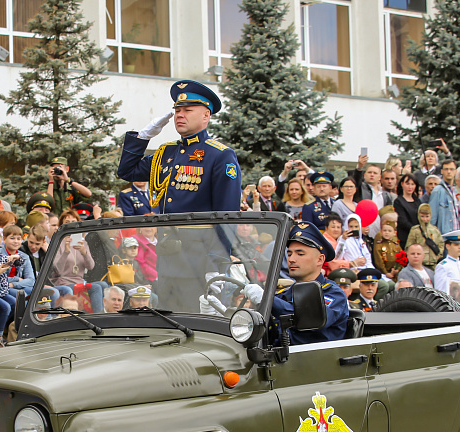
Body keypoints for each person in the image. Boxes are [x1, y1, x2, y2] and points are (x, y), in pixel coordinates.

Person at [117, 80, 242, 213]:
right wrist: (143, 137)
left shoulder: (220, 155)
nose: (180, 115)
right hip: (166, 233)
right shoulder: (165, 152)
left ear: (206, 116)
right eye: (177, 110)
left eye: (188, 110)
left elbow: (227, 214)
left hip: (201, 234)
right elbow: (127, 172)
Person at [271, 223, 348, 344]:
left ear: (320, 259)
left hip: (317, 360)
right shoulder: (284, 295)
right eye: (290, 254)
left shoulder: (333, 294)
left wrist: (267, 299)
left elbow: (311, 318)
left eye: (300, 254)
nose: (291, 259)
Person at [434, 230, 460, 310]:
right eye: (456, 245)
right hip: (450, 308)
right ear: (448, 246)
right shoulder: (443, 266)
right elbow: (439, 291)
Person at [429, 158, 460, 235]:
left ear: (455, 171)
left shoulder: (455, 191)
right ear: (442, 171)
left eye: (451, 169)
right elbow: (432, 218)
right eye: (446, 169)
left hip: (456, 236)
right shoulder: (437, 190)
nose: (449, 172)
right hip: (444, 236)